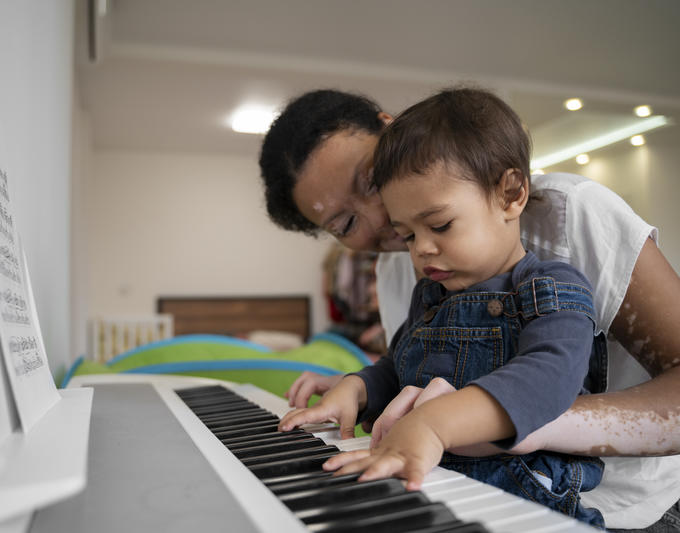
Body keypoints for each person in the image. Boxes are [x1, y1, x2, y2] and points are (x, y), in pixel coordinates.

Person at [259, 88, 680, 531]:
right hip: (470, 491)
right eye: (345, 224)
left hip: (613, 508)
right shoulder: (410, 266)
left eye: (370, 180)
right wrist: (359, 387)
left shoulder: (564, 232)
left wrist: (457, 422)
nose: (382, 217)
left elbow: (546, 371)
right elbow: (407, 366)